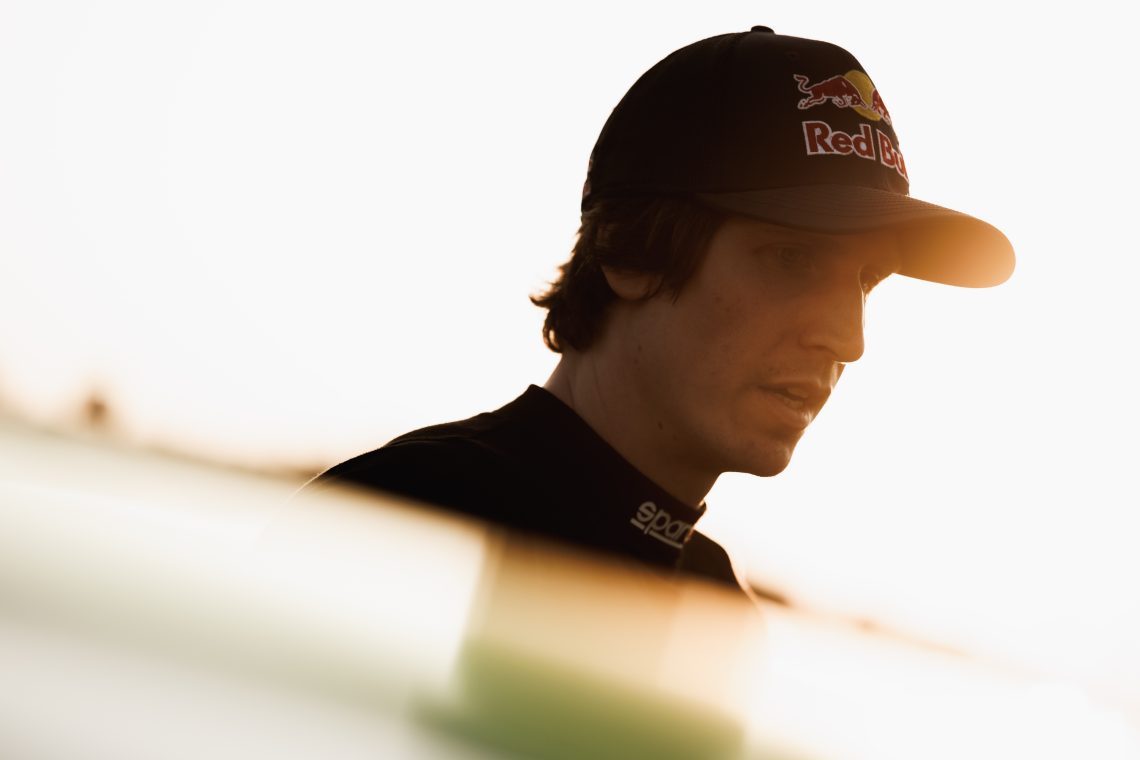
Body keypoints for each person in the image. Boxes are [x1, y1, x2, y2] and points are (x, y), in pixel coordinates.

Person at [307, 26, 1014, 599]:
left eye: (868, 281)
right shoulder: (400, 520)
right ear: (631, 251)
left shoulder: (717, 609)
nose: (848, 339)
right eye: (792, 260)